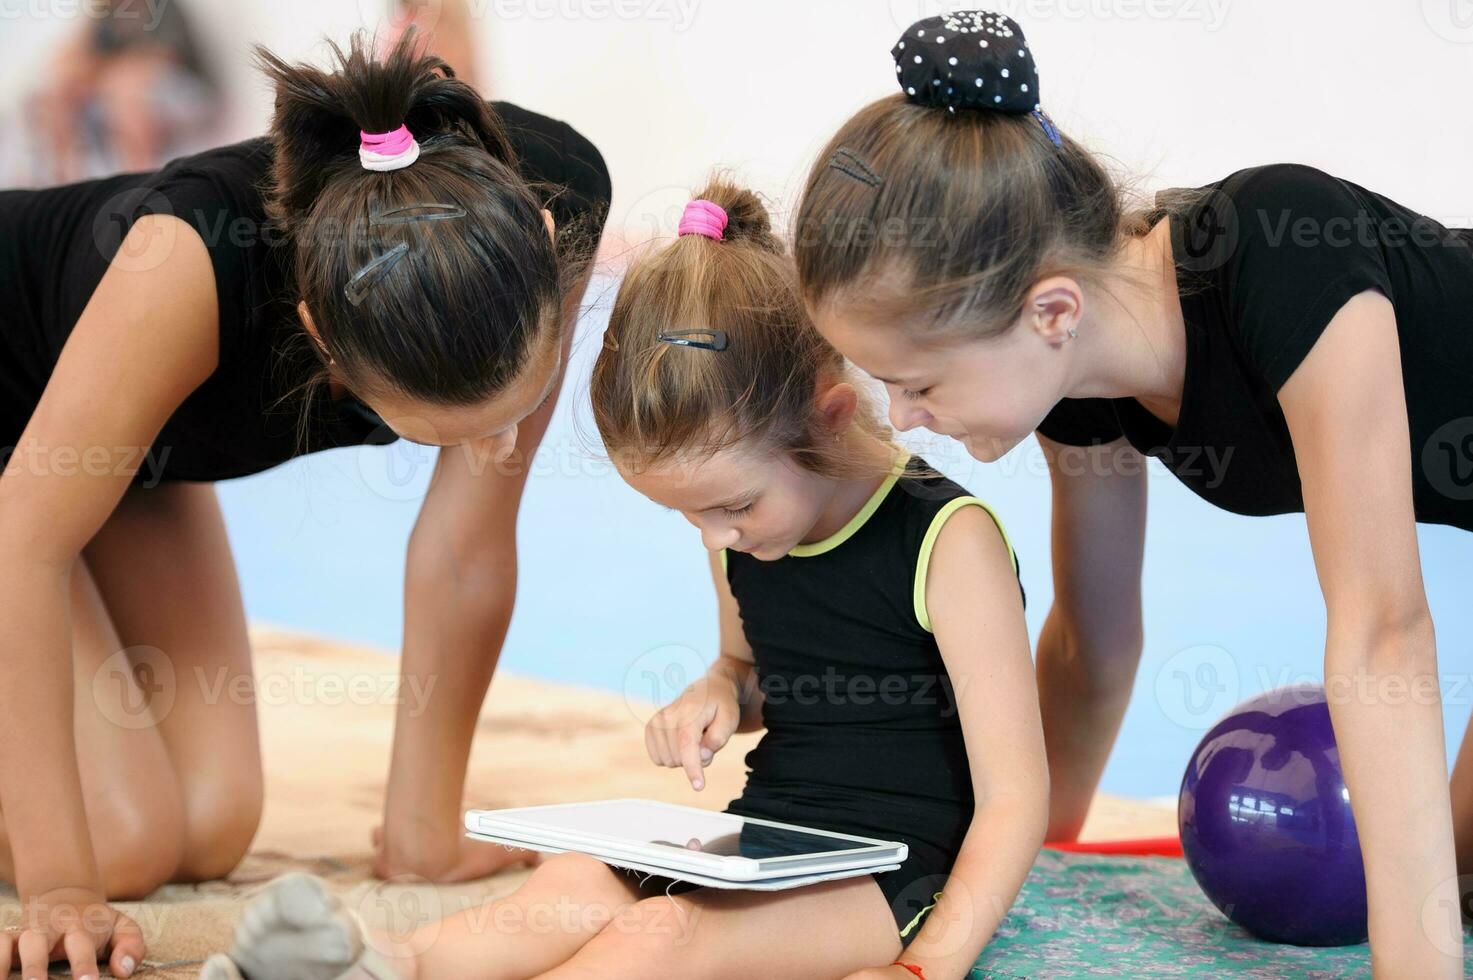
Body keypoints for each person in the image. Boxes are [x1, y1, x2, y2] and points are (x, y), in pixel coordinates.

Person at [197, 181, 1047, 980]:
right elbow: (748, 673)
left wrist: (926, 963)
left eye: (733, 507)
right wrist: (718, 693)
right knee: (570, 884)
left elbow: (1014, 798)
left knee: (661, 934)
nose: (716, 538)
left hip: (899, 874)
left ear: (826, 418)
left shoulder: (948, 542)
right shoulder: (738, 529)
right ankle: (381, 961)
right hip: (768, 837)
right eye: (688, 518)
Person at [792, 10, 1473, 976]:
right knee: (1444, 874)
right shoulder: (1078, 384)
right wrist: (1021, 870)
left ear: (1051, 311)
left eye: (922, 384)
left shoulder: (1284, 261)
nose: (899, 420)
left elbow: (1381, 626)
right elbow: (1090, 641)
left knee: (1430, 907)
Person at [0, 30, 608, 979]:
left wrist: (423, 833)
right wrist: (55, 891)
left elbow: (466, 543)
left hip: (113, 460)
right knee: (117, 848)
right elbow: (19, 547)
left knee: (206, 829)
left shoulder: (554, 199)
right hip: (23, 463)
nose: (491, 450)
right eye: (441, 432)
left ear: (538, 244)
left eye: (514, 409)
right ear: (320, 338)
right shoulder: (185, 264)